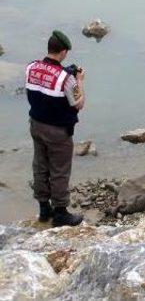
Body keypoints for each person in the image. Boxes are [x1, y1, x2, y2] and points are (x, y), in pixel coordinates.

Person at [25, 30, 86, 226]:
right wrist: (79, 81)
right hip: (58, 130)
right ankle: (60, 212)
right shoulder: (66, 78)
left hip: (36, 125)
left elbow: (43, 83)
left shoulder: (31, 67)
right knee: (60, 170)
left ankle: (44, 208)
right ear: (63, 52)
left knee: (40, 166)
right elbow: (78, 103)